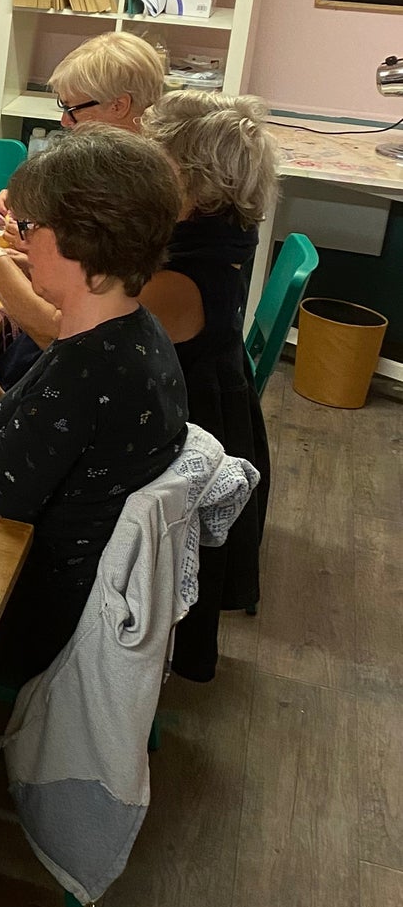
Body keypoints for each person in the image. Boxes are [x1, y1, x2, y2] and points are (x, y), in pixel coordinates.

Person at [0, 128, 188, 686]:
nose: (22, 243)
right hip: (56, 575)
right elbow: (41, 442)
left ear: (84, 242)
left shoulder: (90, 370)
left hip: (25, 613)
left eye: (32, 229)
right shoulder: (125, 331)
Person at [139, 90, 278, 680]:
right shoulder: (218, 235)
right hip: (213, 397)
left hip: (185, 427)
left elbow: (75, 340)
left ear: (191, 180)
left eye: (156, 160)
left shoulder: (184, 277)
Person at [0, 30, 173, 372]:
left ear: (119, 105)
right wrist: (31, 212)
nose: (65, 121)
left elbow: (59, 330)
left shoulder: (133, 194)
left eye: (74, 109)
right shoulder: (117, 170)